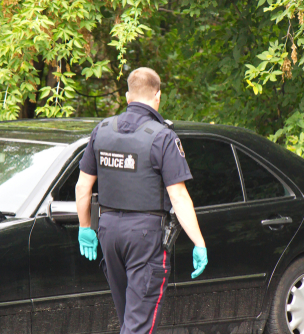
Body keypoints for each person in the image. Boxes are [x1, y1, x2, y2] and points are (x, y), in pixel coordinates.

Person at [75, 67, 207, 334]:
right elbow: (178, 197)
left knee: (129, 321)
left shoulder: (101, 131)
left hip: (108, 233)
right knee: (138, 326)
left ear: (126, 96)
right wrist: (199, 242)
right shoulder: (163, 137)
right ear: (158, 96)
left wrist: (84, 227)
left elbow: (83, 186)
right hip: (144, 238)